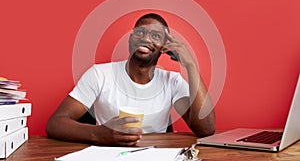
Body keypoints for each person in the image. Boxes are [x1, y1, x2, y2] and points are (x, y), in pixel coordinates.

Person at [46, 13, 215, 146]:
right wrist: (99, 134)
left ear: (165, 47)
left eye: (156, 36)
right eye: (140, 32)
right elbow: (55, 123)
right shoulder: (100, 74)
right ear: (130, 40)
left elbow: (206, 129)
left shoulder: (173, 82)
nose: (146, 38)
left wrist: (190, 64)